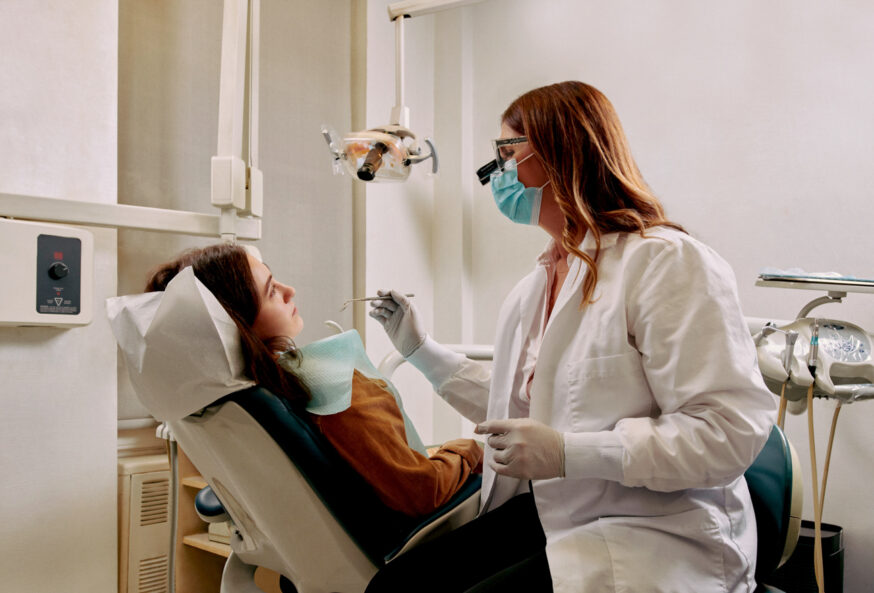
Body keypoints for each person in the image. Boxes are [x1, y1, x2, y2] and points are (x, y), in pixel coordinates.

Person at [366, 81, 776, 593]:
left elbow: (727, 432)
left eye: (507, 152)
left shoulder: (663, 262)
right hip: (557, 514)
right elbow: (522, 409)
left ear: (562, 154)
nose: (495, 173)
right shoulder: (533, 289)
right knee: (395, 585)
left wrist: (568, 453)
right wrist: (421, 353)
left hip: (655, 531)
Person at [145, 243, 483, 517]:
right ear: (240, 321)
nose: (290, 290)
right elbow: (420, 492)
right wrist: (470, 449)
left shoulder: (238, 399)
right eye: (272, 291)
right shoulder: (331, 388)